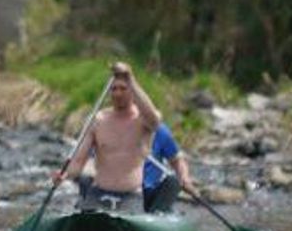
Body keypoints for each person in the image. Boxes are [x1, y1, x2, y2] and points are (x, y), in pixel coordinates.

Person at [54, 62, 161, 212]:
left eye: (123, 89)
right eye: (114, 89)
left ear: (132, 91)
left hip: (130, 196)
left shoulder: (143, 121)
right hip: (98, 193)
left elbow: (154, 121)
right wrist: (64, 175)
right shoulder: (98, 120)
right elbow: (79, 160)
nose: (118, 93)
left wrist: (130, 78)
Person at [142, 123, 196, 213]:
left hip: (150, 190)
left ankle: (157, 215)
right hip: (126, 188)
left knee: (174, 180)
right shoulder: (114, 126)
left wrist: (184, 178)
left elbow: (177, 160)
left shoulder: (159, 130)